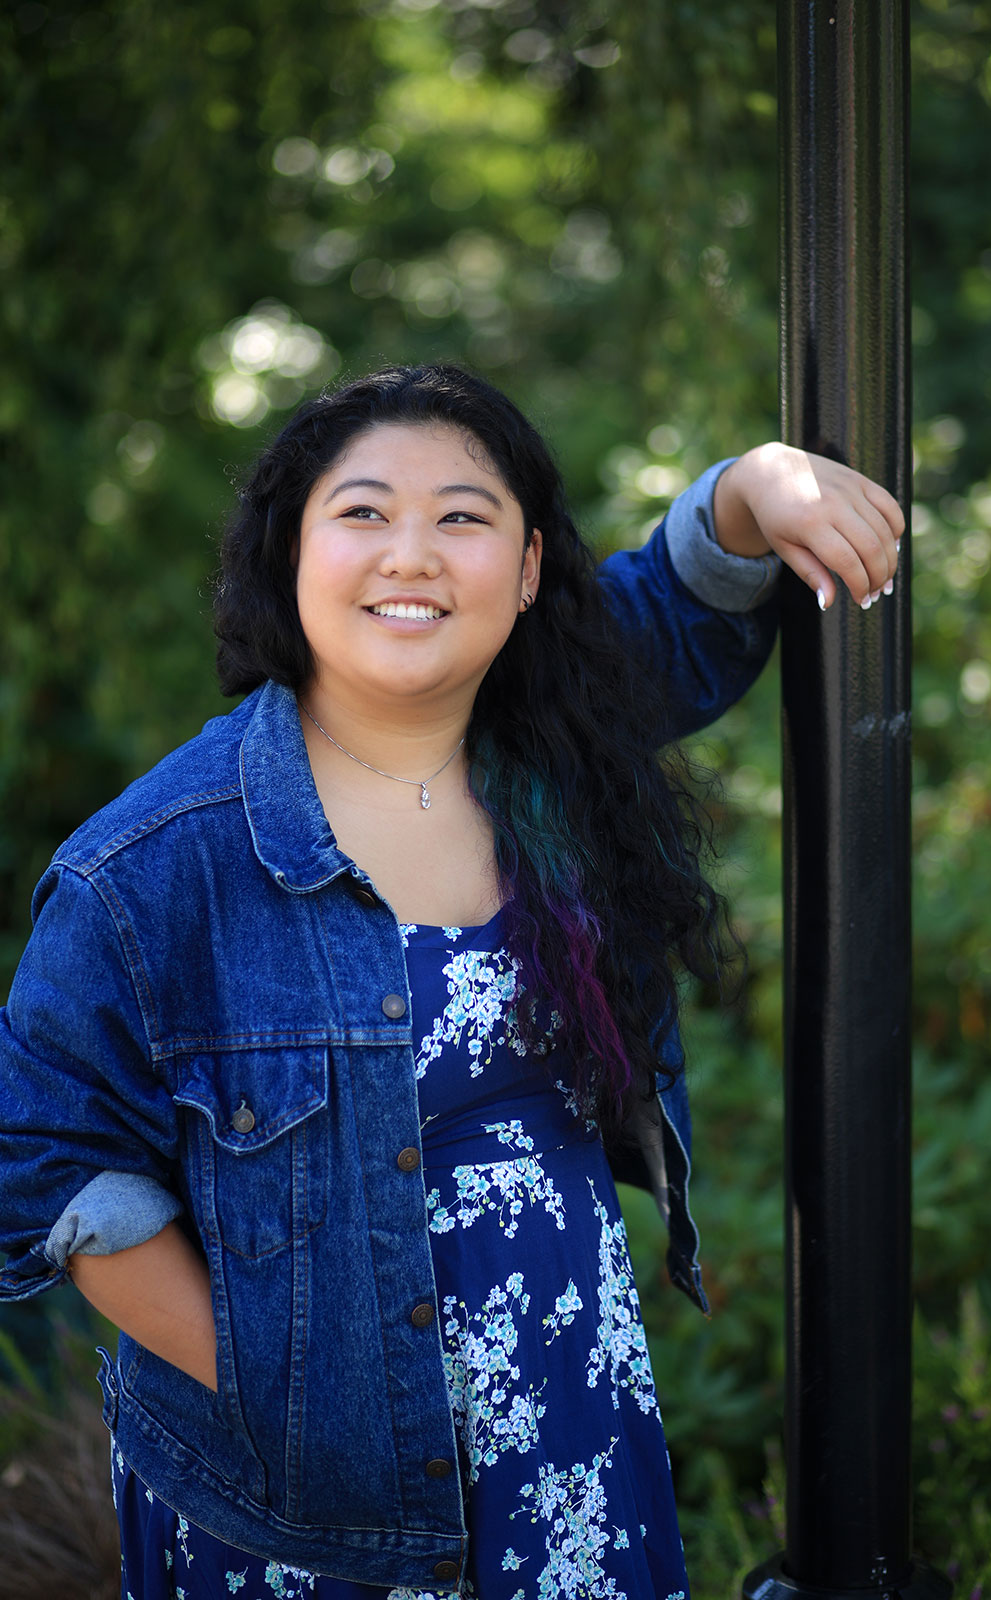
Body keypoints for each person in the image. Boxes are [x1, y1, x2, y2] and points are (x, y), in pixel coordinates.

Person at [0, 365, 902, 1599]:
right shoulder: (150, 867)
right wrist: (294, 1389)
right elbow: (48, 1161)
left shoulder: (548, 737)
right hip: (301, 1489)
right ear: (287, 553)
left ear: (527, 571)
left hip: (568, 1423)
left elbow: (684, 597)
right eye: (361, 513)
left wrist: (756, 481)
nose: (411, 554)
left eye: (463, 518)